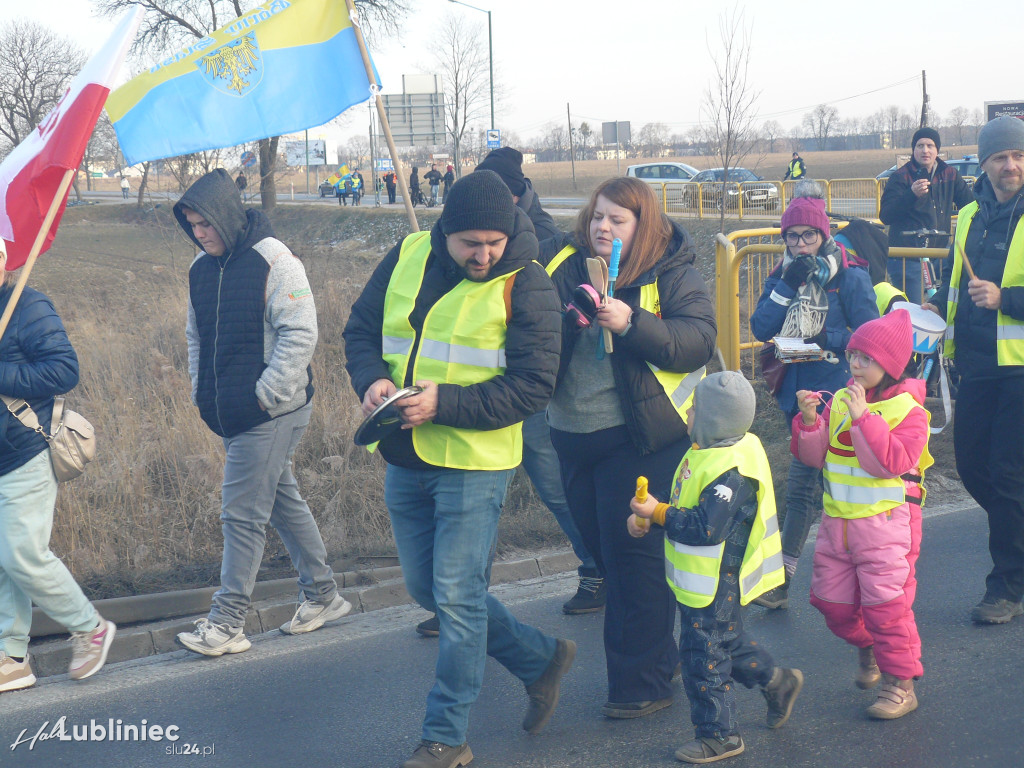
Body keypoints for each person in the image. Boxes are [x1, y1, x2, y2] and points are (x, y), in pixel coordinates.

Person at [342, 170, 574, 768]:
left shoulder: (529, 283)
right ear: (445, 230)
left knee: (457, 594)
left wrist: (443, 402)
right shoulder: (409, 253)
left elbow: (533, 388)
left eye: (494, 242)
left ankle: (446, 736)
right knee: (430, 590)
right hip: (404, 451)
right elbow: (361, 330)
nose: (484, 254)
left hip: (476, 462)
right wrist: (371, 381)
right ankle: (538, 659)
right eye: (471, 242)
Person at [542, 176, 717, 718]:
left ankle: (642, 686)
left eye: (618, 219)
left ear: (643, 225)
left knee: (634, 561)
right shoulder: (562, 265)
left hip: (641, 438)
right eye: (597, 216)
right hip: (571, 434)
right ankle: (665, 659)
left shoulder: (671, 270)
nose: (603, 227)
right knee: (604, 554)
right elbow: (531, 331)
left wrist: (633, 321)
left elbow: (696, 341)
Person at [172, 169, 349, 657]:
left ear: (225, 216)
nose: (199, 233)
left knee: (241, 514)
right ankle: (323, 595)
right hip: (226, 411)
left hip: (272, 411)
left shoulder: (276, 261)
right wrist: (199, 392)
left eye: (205, 223)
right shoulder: (200, 269)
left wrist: (263, 396)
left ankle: (227, 622)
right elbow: (196, 337)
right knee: (280, 501)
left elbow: (301, 333)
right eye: (191, 225)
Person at [628, 372, 803, 763]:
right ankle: (778, 681)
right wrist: (651, 517)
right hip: (708, 581)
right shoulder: (712, 448)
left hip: (716, 581)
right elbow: (686, 501)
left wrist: (657, 513)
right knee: (723, 641)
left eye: (695, 407)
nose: (688, 411)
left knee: (701, 657)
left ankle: (720, 736)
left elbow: (705, 527)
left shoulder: (731, 471)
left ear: (712, 420)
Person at [793, 309, 931, 719]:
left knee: (888, 610)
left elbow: (888, 462)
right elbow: (816, 458)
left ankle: (900, 686)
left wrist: (863, 418)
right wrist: (809, 421)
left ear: (889, 366)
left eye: (866, 358)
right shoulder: (842, 401)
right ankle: (870, 648)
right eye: (853, 354)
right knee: (830, 605)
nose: (854, 364)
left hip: (888, 527)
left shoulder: (911, 412)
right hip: (838, 526)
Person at [749, 183, 877, 609]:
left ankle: (865, 573)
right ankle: (786, 577)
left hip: (841, 397)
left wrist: (827, 336)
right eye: (792, 236)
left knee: (837, 486)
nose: (801, 244)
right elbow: (760, 327)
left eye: (809, 236)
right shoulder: (781, 274)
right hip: (798, 397)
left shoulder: (851, 277)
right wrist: (786, 286)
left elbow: (869, 337)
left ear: (824, 237)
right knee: (804, 486)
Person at [0, 240, 116, 691]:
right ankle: (11, 657)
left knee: (23, 556)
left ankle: (91, 629)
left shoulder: (28, 304)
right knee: (2, 562)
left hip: (25, 450)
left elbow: (63, 371)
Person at [924, 115, 1024, 625]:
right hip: (976, 364)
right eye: (1001, 157)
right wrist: (932, 313)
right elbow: (951, 283)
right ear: (983, 163)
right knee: (971, 467)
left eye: (1019, 156)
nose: (1012, 166)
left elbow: (996, 293)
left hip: (1021, 369)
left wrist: (1006, 299)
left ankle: (1006, 586)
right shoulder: (967, 216)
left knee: (1007, 475)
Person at [880, 127, 974, 304]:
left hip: (939, 255)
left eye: (930, 145)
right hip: (906, 255)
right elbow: (886, 215)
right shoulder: (901, 177)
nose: (925, 150)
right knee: (912, 309)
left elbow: (970, 206)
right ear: (913, 150)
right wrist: (911, 194)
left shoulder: (949, 174)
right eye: (920, 145)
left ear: (937, 149)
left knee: (942, 306)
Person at [477, 147, 561, 243]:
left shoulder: (547, 237)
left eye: (491, 195)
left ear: (515, 196)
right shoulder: (480, 226)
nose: (484, 202)